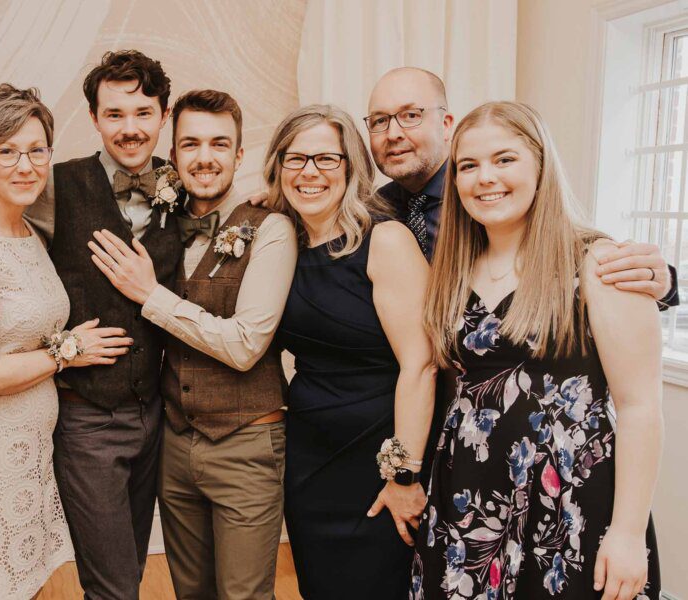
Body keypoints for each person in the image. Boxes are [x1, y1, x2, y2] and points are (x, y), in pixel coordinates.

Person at [412, 101, 663, 599]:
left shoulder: (598, 263)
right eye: (468, 165)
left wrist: (628, 533)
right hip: (469, 494)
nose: (485, 178)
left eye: (504, 159)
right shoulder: (454, 269)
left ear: (541, 165)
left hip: (566, 496)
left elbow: (640, 407)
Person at [89, 89, 297, 599]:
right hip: (175, 443)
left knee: (245, 595)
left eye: (219, 144)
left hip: (248, 442)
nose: (205, 158)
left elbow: (245, 345)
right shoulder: (159, 222)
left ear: (239, 155)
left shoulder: (272, 228)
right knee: (191, 593)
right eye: (191, 144)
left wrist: (151, 295)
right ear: (173, 155)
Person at [0, 84, 133, 599]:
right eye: (6, 152)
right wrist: (68, 352)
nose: (26, 166)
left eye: (37, 150)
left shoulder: (29, 234)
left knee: (27, 583)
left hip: (31, 446)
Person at [24, 50, 183, 599]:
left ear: (164, 115)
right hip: (86, 416)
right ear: (93, 117)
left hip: (156, 414)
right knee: (113, 586)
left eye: (143, 112)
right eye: (114, 114)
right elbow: (4, 264)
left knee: (130, 571)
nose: (129, 128)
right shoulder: (54, 185)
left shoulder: (184, 186)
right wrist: (61, 346)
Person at [268, 104, 436, 599]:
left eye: (326, 158)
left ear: (351, 167)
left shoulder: (386, 240)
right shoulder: (283, 243)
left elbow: (422, 365)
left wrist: (404, 475)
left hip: (377, 458)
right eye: (296, 159)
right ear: (279, 166)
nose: (310, 172)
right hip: (309, 459)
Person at [366, 66, 677, 301]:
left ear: (446, 125)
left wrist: (663, 282)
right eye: (380, 121)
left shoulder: (489, 196)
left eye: (411, 115)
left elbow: (573, 254)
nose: (393, 133)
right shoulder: (376, 210)